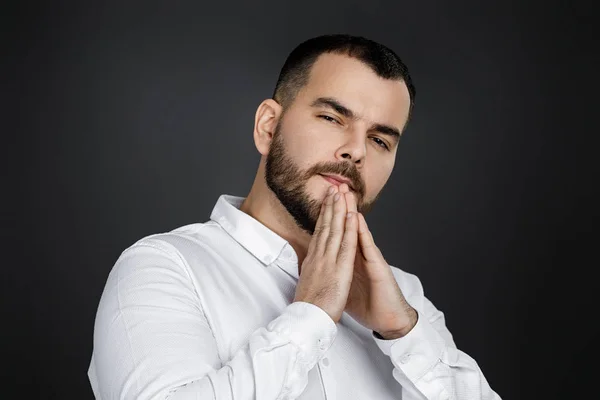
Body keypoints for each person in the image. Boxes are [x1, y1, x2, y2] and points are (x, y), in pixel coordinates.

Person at [88, 34, 501, 399]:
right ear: (268, 126)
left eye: (379, 139)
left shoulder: (403, 300)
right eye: (332, 118)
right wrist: (312, 316)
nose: (356, 151)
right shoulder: (164, 268)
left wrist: (404, 333)